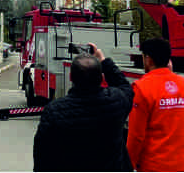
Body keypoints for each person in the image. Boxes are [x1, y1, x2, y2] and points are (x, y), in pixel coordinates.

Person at [33, 43, 133, 172]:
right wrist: (103, 60)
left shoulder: (54, 111)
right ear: (101, 77)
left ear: (71, 77)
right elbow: (124, 86)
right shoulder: (116, 102)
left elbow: (42, 155)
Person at [127, 37, 184, 172]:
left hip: (153, 165)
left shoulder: (141, 88)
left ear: (148, 59)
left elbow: (136, 136)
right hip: (181, 164)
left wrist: (128, 164)